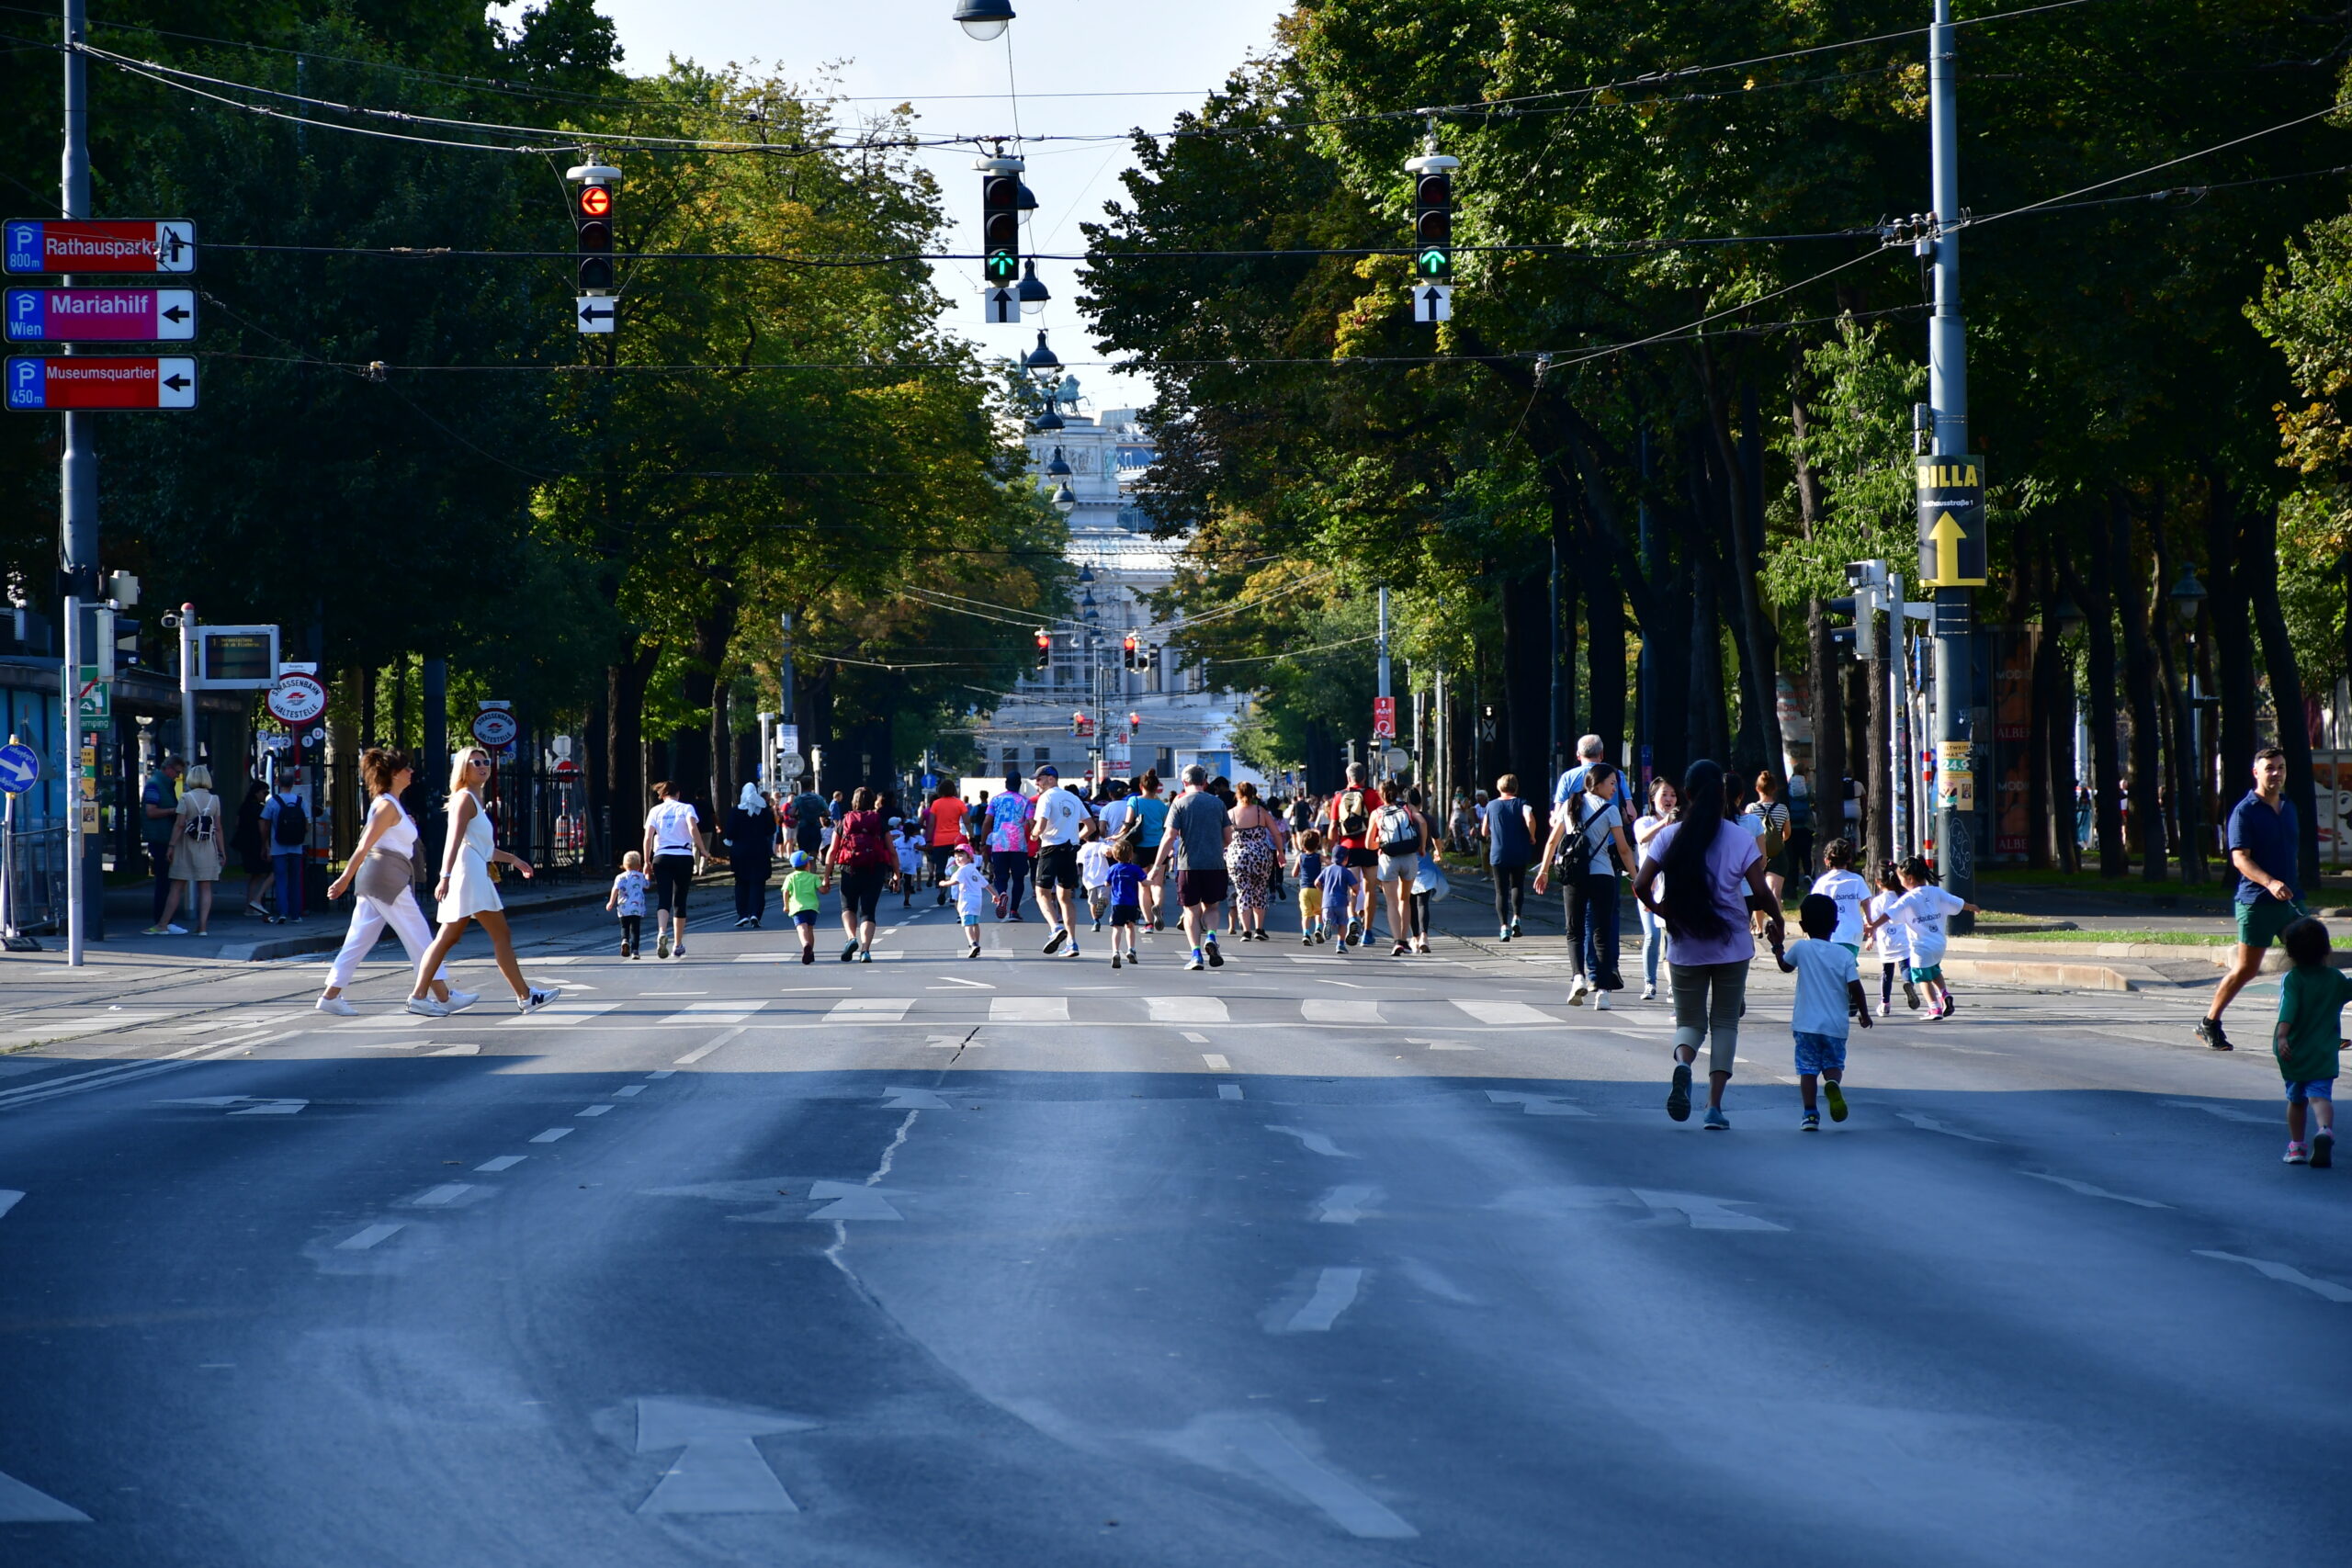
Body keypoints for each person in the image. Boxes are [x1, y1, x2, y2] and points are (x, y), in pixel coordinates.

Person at [1632, 759, 1784, 1130]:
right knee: (1725, 1023)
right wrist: (1777, 920)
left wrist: (1661, 909)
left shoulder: (1669, 837)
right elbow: (1761, 890)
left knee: (1690, 1023)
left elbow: (1639, 884)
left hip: (1685, 941)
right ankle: (1714, 1107)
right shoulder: (1739, 838)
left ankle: (1684, 1064)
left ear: (1686, 793)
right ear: (1723, 794)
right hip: (1732, 942)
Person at [404, 748, 554, 1017]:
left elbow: (483, 847)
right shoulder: (465, 799)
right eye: (476, 762)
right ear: (464, 768)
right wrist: (444, 876)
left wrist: (514, 860)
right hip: (468, 873)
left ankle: (420, 996)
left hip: (471, 869)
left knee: (450, 937)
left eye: (486, 761)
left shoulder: (473, 798)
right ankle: (525, 996)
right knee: (495, 935)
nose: (483, 766)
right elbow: (453, 840)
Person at [318, 751, 466, 1013]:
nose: (411, 772)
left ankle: (331, 996)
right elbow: (365, 844)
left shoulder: (391, 804)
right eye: (406, 769)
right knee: (419, 935)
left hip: (380, 878)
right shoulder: (386, 805)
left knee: (359, 938)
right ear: (394, 774)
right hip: (387, 880)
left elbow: (391, 837)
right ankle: (442, 996)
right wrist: (344, 878)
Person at [2202, 747, 2306, 1052]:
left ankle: (2312, 1029)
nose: (2276, 773)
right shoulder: (2245, 811)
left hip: (2291, 901)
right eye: (2270, 768)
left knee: (2312, 961)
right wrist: (2270, 882)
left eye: (2281, 767)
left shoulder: (2289, 807)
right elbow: (2240, 859)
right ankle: (2210, 1022)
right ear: (2256, 772)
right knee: (2247, 969)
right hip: (2257, 902)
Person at [1535, 761, 1638, 1009]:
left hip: (1574, 875)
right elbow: (1624, 850)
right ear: (1598, 784)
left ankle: (1578, 977)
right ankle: (1603, 992)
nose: (1614, 789)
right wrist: (1636, 878)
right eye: (1612, 783)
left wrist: (1544, 870)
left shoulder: (1570, 805)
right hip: (1603, 875)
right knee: (1602, 933)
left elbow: (1552, 842)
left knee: (1574, 931)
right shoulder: (1610, 810)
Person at [1788, 891, 1872, 1131]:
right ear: (1835, 925)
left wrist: (1775, 945)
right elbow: (1856, 988)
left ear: (1803, 925)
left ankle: (1810, 1114)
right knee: (1833, 1064)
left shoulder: (1801, 948)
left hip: (1806, 1025)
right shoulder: (1845, 955)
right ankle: (1832, 1082)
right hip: (1835, 1026)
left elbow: (1785, 966)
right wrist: (1864, 1014)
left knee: (1807, 1070)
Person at [2271, 917, 2347, 1166]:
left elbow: (2288, 1009)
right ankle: (2324, 1130)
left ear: (2290, 952)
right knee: (2320, 1097)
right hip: (2324, 1052)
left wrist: (2282, 1036)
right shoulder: (2335, 978)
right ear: (2326, 949)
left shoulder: (2293, 979)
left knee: (2296, 1101)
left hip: (2295, 1051)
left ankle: (2296, 1147)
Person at [1149, 763, 1234, 972]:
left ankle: (1196, 954)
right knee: (1212, 907)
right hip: (1215, 865)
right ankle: (1211, 936)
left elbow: (1169, 836)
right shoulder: (1218, 804)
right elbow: (1228, 838)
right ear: (1205, 782)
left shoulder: (1179, 804)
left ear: (1184, 782)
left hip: (1188, 865)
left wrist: (1157, 866)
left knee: (1190, 911)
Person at [1886, 856, 1977, 1020]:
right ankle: (1944, 994)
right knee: (1934, 971)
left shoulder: (1908, 898)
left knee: (1923, 978)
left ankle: (1934, 1008)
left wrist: (1873, 925)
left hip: (1921, 948)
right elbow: (1957, 903)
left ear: (1910, 878)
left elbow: (1890, 914)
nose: (1900, 882)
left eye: (1900, 879)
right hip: (1939, 944)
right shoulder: (1936, 891)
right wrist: (1972, 907)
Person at [149, 763, 223, 937]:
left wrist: (171, 846)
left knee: (177, 886)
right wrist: (222, 851)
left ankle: (163, 924)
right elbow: (218, 828)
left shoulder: (186, 798)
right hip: (207, 846)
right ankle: (202, 927)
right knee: (205, 887)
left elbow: (179, 824)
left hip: (186, 846)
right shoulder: (215, 800)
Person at [824, 786, 897, 963]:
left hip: (849, 869)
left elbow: (832, 851)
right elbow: (892, 851)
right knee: (868, 912)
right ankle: (865, 950)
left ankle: (851, 938)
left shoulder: (844, 821)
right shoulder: (879, 821)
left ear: (853, 801)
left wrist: (826, 876)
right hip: (874, 869)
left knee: (848, 908)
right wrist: (897, 874)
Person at [1028, 764, 1091, 956]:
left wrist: (1034, 835)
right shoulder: (1074, 798)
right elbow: (1091, 826)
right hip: (1070, 849)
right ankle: (1072, 942)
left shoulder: (1046, 797)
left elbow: (1041, 824)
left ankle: (1055, 927)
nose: (1037, 784)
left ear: (1051, 778)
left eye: (1039, 779)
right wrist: (1076, 838)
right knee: (1065, 897)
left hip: (1050, 848)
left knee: (1042, 892)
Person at [642, 781, 707, 959]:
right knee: (679, 900)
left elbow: (648, 837)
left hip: (661, 857)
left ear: (662, 795)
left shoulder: (655, 811)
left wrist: (646, 861)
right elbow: (693, 828)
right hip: (683, 856)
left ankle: (662, 932)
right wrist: (702, 849)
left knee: (663, 898)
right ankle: (677, 945)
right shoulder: (686, 808)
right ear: (678, 794)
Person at [1810, 839, 1872, 1013]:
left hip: (1831, 932)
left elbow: (1813, 904)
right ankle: (1850, 993)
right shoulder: (1857, 880)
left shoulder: (1823, 882)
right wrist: (1869, 921)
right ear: (1849, 859)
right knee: (1847, 964)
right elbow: (1866, 902)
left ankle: (1843, 996)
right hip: (1853, 932)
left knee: (1832, 967)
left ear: (1826, 861)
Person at [1324, 762, 1383, 942]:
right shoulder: (1373, 795)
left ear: (1348, 778)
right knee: (1370, 890)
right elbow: (1380, 820)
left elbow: (1333, 826)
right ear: (1364, 777)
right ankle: (1368, 933)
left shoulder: (1339, 796)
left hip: (1347, 848)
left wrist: (1331, 850)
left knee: (1351, 889)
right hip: (1369, 847)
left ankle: (1352, 919)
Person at [1631, 777, 1678, 1000]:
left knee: (1671, 937)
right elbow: (1642, 838)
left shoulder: (1679, 823)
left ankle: (1673, 984)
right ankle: (1650, 982)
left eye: (1673, 795)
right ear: (1652, 798)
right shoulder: (1644, 822)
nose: (1669, 799)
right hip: (1648, 886)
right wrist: (1664, 822)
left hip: (1671, 888)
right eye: (1664, 794)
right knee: (1652, 934)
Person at [1368, 783, 1428, 957]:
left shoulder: (1377, 813)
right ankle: (1404, 939)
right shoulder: (1407, 807)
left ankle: (1397, 942)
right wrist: (1422, 847)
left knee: (1391, 902)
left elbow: (1368, 844)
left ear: (1381, 795)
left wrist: (1381, 842)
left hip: (1389, 859)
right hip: (1409, 857)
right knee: (1405, 899)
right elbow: (1423, 823)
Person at [1226, 781, 1283, 942]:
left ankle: (1246, 931)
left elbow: (1224, 838)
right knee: (1260, 891)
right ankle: (1259, 929)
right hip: (1260, 856)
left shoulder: (1231, 814)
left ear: (1237, 794)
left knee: (1243, 892)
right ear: (1253, 794)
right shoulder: (1261, 812)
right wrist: (1280, 853)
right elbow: (1276, 833)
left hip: (1238, 858)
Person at [1482, 774, 1537, 941]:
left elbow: (1484, 831)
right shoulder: (1522, 803)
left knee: (1501, 891)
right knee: (1517, 885)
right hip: (1519, 851)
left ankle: (1504, 927)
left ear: (1499, 787)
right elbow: (1530, 820)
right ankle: (1517, 918)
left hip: (1498, 853)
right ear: (1516, 788)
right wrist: (1532, 835)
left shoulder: (1491, 805)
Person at [1863, 862, 1916, 1015]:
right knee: (1906, 967)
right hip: (1904, 939)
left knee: (1887, 972)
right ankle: (1908, 982)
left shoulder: (1878, 901)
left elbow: (1871, 922)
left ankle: (1885, 1003)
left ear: (1878, 882)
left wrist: (1870, 937)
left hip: (1887, 941)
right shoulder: (1904, 897)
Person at [721, 784, 776, 931]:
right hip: (759, 851)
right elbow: (771, 829)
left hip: (740, 852)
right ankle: (755, 913)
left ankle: (742, 914)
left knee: (741, 882)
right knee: (758, 883)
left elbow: (730, 832)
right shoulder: (763, 810)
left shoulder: (736, 811)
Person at [141, 755, 186, 931]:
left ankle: (164, 921)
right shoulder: (155, 785)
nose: (177, 776)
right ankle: (162, 920)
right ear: (168, 768)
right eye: (177, 772)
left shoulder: (163, 784)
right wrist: (173, 810)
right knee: (164, 882)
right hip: (160, 838)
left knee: (166, 881)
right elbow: (151, 811)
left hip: (162, 836)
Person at [261, 772, 310, 925]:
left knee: (280, 879)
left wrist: (266, 844)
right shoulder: (300, 801)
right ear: (293, 784)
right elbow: (307, 825)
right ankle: (296, 914)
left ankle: (282, 912)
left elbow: (265, 824)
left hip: (278, 846)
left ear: (278, 783)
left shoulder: (273, 802)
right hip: (296, 847)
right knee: (295, 880)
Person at [984, 774, 1035, 919]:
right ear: (1019, 784)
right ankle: (1013, 911)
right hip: (1018, 844)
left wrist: (982, 842)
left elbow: (987, 822)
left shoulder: (995, 800)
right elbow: (1031, 823)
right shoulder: (1026, 801)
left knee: (1000, 876)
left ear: (1006, 784)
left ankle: (1002, 893)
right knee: (1018, 878)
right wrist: (1035, 839)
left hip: (999, 843)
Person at [1126, 771, 1171, 930]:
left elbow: (1128, 822)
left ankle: (1148, 923)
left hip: (1139, 848)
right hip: (1159, 847)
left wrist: (1118, 836)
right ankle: (1157, 906)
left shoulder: (1134, 801)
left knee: (1143, 886)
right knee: (1157, 884)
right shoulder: (1162, 806)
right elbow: (1167, 828)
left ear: (1141, 786)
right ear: (1157, 787)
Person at [1745, 771, 1794, 908]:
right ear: (1774, 789)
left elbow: (1746, 833)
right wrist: (1776, 842)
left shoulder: (1751, 808)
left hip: (1755, 855)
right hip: (1777, 855)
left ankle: (1759, 922)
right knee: (1774, 894)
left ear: (1757, 788)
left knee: (1757, 894)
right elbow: (1787, 833)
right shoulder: (1782, 809)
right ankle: (1777, 920)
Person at [940, 843, 989, 959]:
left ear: (969, 857)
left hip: (967, 901)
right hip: (977, 901)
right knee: (975, 923)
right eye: (956, 857)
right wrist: (995, 895)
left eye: (961, 856)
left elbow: (954, 882)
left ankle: (973, 944)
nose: (957, 859)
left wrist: (944, 883)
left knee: (967, 924)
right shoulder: (974, 870)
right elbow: (986, 884)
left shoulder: (961, 870)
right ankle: (977, 944)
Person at [232, 778, 272, 919]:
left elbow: (237, 823)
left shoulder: (244, 806)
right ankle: (255, 901)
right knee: (269, 871)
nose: (266, 795)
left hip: (246, 844)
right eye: (264, 792)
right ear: (257, 793)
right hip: (256, 843)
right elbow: (263, 829)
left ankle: (250, 905)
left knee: (255, 875)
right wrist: (266, 846)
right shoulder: (259, 809)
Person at [1106, 841, 1148, 970]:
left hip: (1117, 903)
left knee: (1117, 929)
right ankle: (1131, 949)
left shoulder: (1113, 869)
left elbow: (1107, 883)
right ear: (1131, 855)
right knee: (1130, 927)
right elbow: (1144, 882)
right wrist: (1152, 880)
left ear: (1114, 855)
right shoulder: (1135, 869)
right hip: (1131, 903)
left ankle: (1115, 951)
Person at [924, 784, 967, 902]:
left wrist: (929, 840)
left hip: (939, 841)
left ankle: (941, 889)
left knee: (940, 867)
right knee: (956, 866)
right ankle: (955, 894)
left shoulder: (936, 804)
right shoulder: (959, 803)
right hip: (956, 841)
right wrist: (972, 837)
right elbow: (967, 822)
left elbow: (931, 824)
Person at [1316, 852, 1362, 955]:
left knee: (1329, 919)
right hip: (1341, 902)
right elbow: (1355, 886)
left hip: (1327, 902)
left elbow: (1317, 882)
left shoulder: (1327, 870)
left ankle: (1328, 924)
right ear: (1346, 859)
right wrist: (1355, 892)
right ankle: (1340, 945)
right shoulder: (1346, 872)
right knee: (1342, 924)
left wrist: (1323, 891)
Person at [783, 849, 823, 964]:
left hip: (797, 908)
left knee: (801, 928)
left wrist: (786, 906)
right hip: (812, 908)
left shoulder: (790, 877)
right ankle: (810, 952)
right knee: (810, 929)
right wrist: (826, 887)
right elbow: (822, 890)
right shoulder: (814, 877)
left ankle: (806, 945)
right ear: (807, 865)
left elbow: (786, 892)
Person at [1550, 733, 1605, 817]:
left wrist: (1553, 818)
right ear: (1601, 754)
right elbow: (1628, 810)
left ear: (1578, 754)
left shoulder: (1567, 777)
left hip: (1576, 824)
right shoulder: (1617, 775)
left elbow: (1559, 814)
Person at [607, 851, 650, 958]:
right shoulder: (640, 876)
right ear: (639, 866)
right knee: (635, 930)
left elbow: (615, 889)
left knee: (624, 927)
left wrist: (611, 902)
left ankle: (625, 940)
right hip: (637, 908)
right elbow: (647, 885)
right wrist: (647, 874)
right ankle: (635, 951)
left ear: (624, 865)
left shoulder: (620, 877)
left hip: (623, 908)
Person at [1079, 818, 1115, 931]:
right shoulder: (1101, 845)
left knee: (1092, 903)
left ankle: (1096, 921)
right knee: (1104, 898)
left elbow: (1079, 863)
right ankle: (1103, 903)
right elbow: (1108, 852)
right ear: (1098, 836)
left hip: (1089, 881)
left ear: (1085, 837)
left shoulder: (1082, 849)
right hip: (1103, 878)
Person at [1294, 828, 1328, 944]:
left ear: (1303, 844)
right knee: (1318, 912)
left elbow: (1294, 874)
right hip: (1317, 888)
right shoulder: (1318, 857)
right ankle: (1318, 929)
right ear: (1317, 844)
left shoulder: (1300, 857)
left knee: (1306, 914)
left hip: (1304, 890)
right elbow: (1329, 863)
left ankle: (1306, 934)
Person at [785, 783, 830, 863]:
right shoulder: (819, 798)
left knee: (804, 855)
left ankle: (805, 868)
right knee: (813, 857)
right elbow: (828, 813)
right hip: (815, 828)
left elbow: (791, 813)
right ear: (811, 786)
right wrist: (819, 814)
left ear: (802, 786)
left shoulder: (798, 799)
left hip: (803, 829)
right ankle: (812, 868)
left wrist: (798, 815)